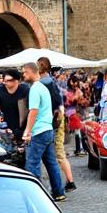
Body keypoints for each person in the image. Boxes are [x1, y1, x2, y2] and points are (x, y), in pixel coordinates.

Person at [21, 62, 65, 201]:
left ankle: (36, 195)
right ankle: (59, 192)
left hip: (38, 131)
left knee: (32, 163)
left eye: (24, 72)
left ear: (32, 72)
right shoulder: (44, 88)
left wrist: (27, 131)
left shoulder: (34, 89)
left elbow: (33, 111)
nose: (23, 75)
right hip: (48, 129)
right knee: (51, 163)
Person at [38, 60, 74, 191]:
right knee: (56, 154)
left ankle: (69, 182)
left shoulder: (48, 83)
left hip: (55, 121)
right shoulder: (50, 82)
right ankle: (68, 181)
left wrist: (56, 120)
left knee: (58, 154)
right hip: (55, 120)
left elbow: (58, 104)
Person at [0, 69, 30, 142]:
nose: (5, 83)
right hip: (6, 125)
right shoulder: (0, 89)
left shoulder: (25, 90)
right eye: (4, 80)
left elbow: (31, 110)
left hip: (22, 126)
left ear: (17, 80)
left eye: (8, 80)